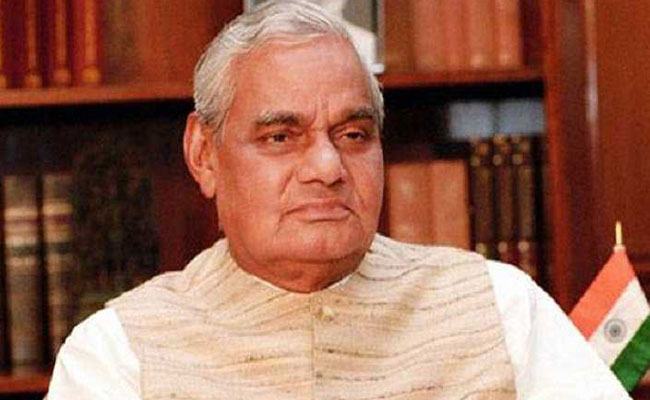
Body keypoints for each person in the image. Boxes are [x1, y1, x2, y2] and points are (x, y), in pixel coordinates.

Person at [46, 1, 630, 399]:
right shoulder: (119, 352)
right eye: (281, 137)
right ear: (203, 154)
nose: (328, 169)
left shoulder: (499, 307)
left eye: (353, 135)